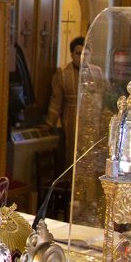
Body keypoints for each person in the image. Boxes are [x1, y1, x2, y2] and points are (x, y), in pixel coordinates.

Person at [47, 36, 85, 167]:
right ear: (72, 54)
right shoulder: (62, 73)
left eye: (85, 53)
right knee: (71, 150)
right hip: (70, 118)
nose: (82, 57)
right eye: (78, 53)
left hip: (90, 120)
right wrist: (50, 123)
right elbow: (56, 99)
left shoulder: (96, 72)